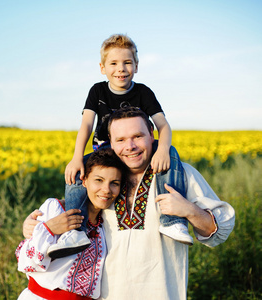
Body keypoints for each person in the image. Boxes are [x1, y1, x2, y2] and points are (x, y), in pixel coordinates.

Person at [23, 107, 235, 299]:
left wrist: (189, 211)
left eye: (137, 136)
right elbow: (67, 213)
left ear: (152, 135)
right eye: (121, 140)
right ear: (110, 142)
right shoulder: (105, 181)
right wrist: (37, 227)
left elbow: (219, 232)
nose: (130, 146)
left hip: (164, 293)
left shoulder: (179, 174)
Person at [51, 33, 191, 259]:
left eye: (127, 62)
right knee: (79, 172)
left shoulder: (143, 91)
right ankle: (76, 230)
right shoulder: (97, 90)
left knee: (171, 153)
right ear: (102, 67)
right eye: (113, 63)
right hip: (105, 150)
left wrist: (163, 149)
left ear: (136, 66)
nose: (121, 69)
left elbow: (163, 126)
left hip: (136, 148)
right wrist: (77, 156)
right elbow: (86, 125)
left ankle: (172, 222)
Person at [16, 148, 127, 299]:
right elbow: (28, 263)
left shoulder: (107, 223)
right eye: (98, 180)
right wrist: (49, 229)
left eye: (114, 183)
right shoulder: (56, 209)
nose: (106, 190)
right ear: (85, 180)